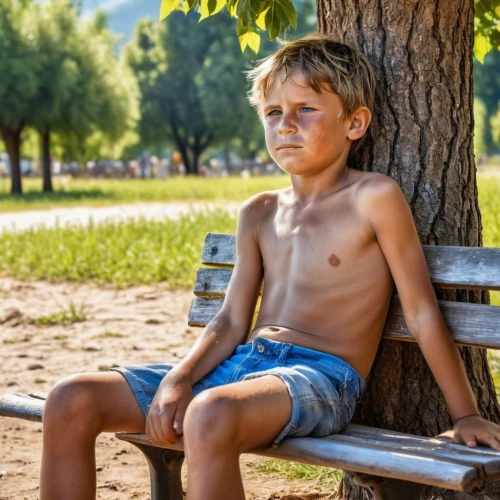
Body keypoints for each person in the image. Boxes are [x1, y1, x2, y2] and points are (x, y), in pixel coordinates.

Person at [39, 33, 500, 500]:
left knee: (208, 415)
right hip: (240, 370)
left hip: (319, 378)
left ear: (355, 123)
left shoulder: (373, 199)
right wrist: (180, 375)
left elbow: (421, 313)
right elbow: (232, 319)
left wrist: (465, 414)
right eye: (274, 112)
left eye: (307, 110)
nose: (286, 125)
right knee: (70, 400)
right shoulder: (258, 212)